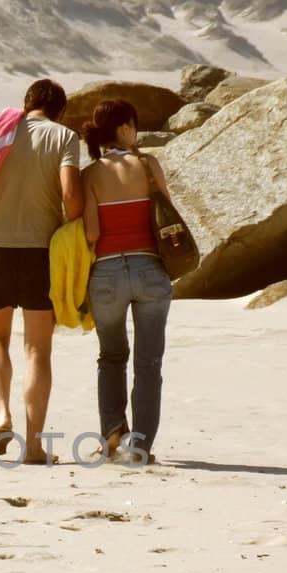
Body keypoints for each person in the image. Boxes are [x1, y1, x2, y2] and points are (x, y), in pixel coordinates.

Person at [0, 79, 83, 465]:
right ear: (60, 109)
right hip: (41, 252)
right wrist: (70, 226)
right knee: (38, 350)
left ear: (27, 103)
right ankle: (35, 447)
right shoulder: (64, 137)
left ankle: (0, 415)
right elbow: (71, 193)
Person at [79, 98, 174, 464]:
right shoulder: (148, 166)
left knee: (111, 357)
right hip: (150, 269)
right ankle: (140, 446)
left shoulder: (90, 175)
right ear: (124, 128)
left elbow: (91, 232)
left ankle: (112, 432)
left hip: (106, 275)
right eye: (133, 126)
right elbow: (166, 214)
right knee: (149, 363)